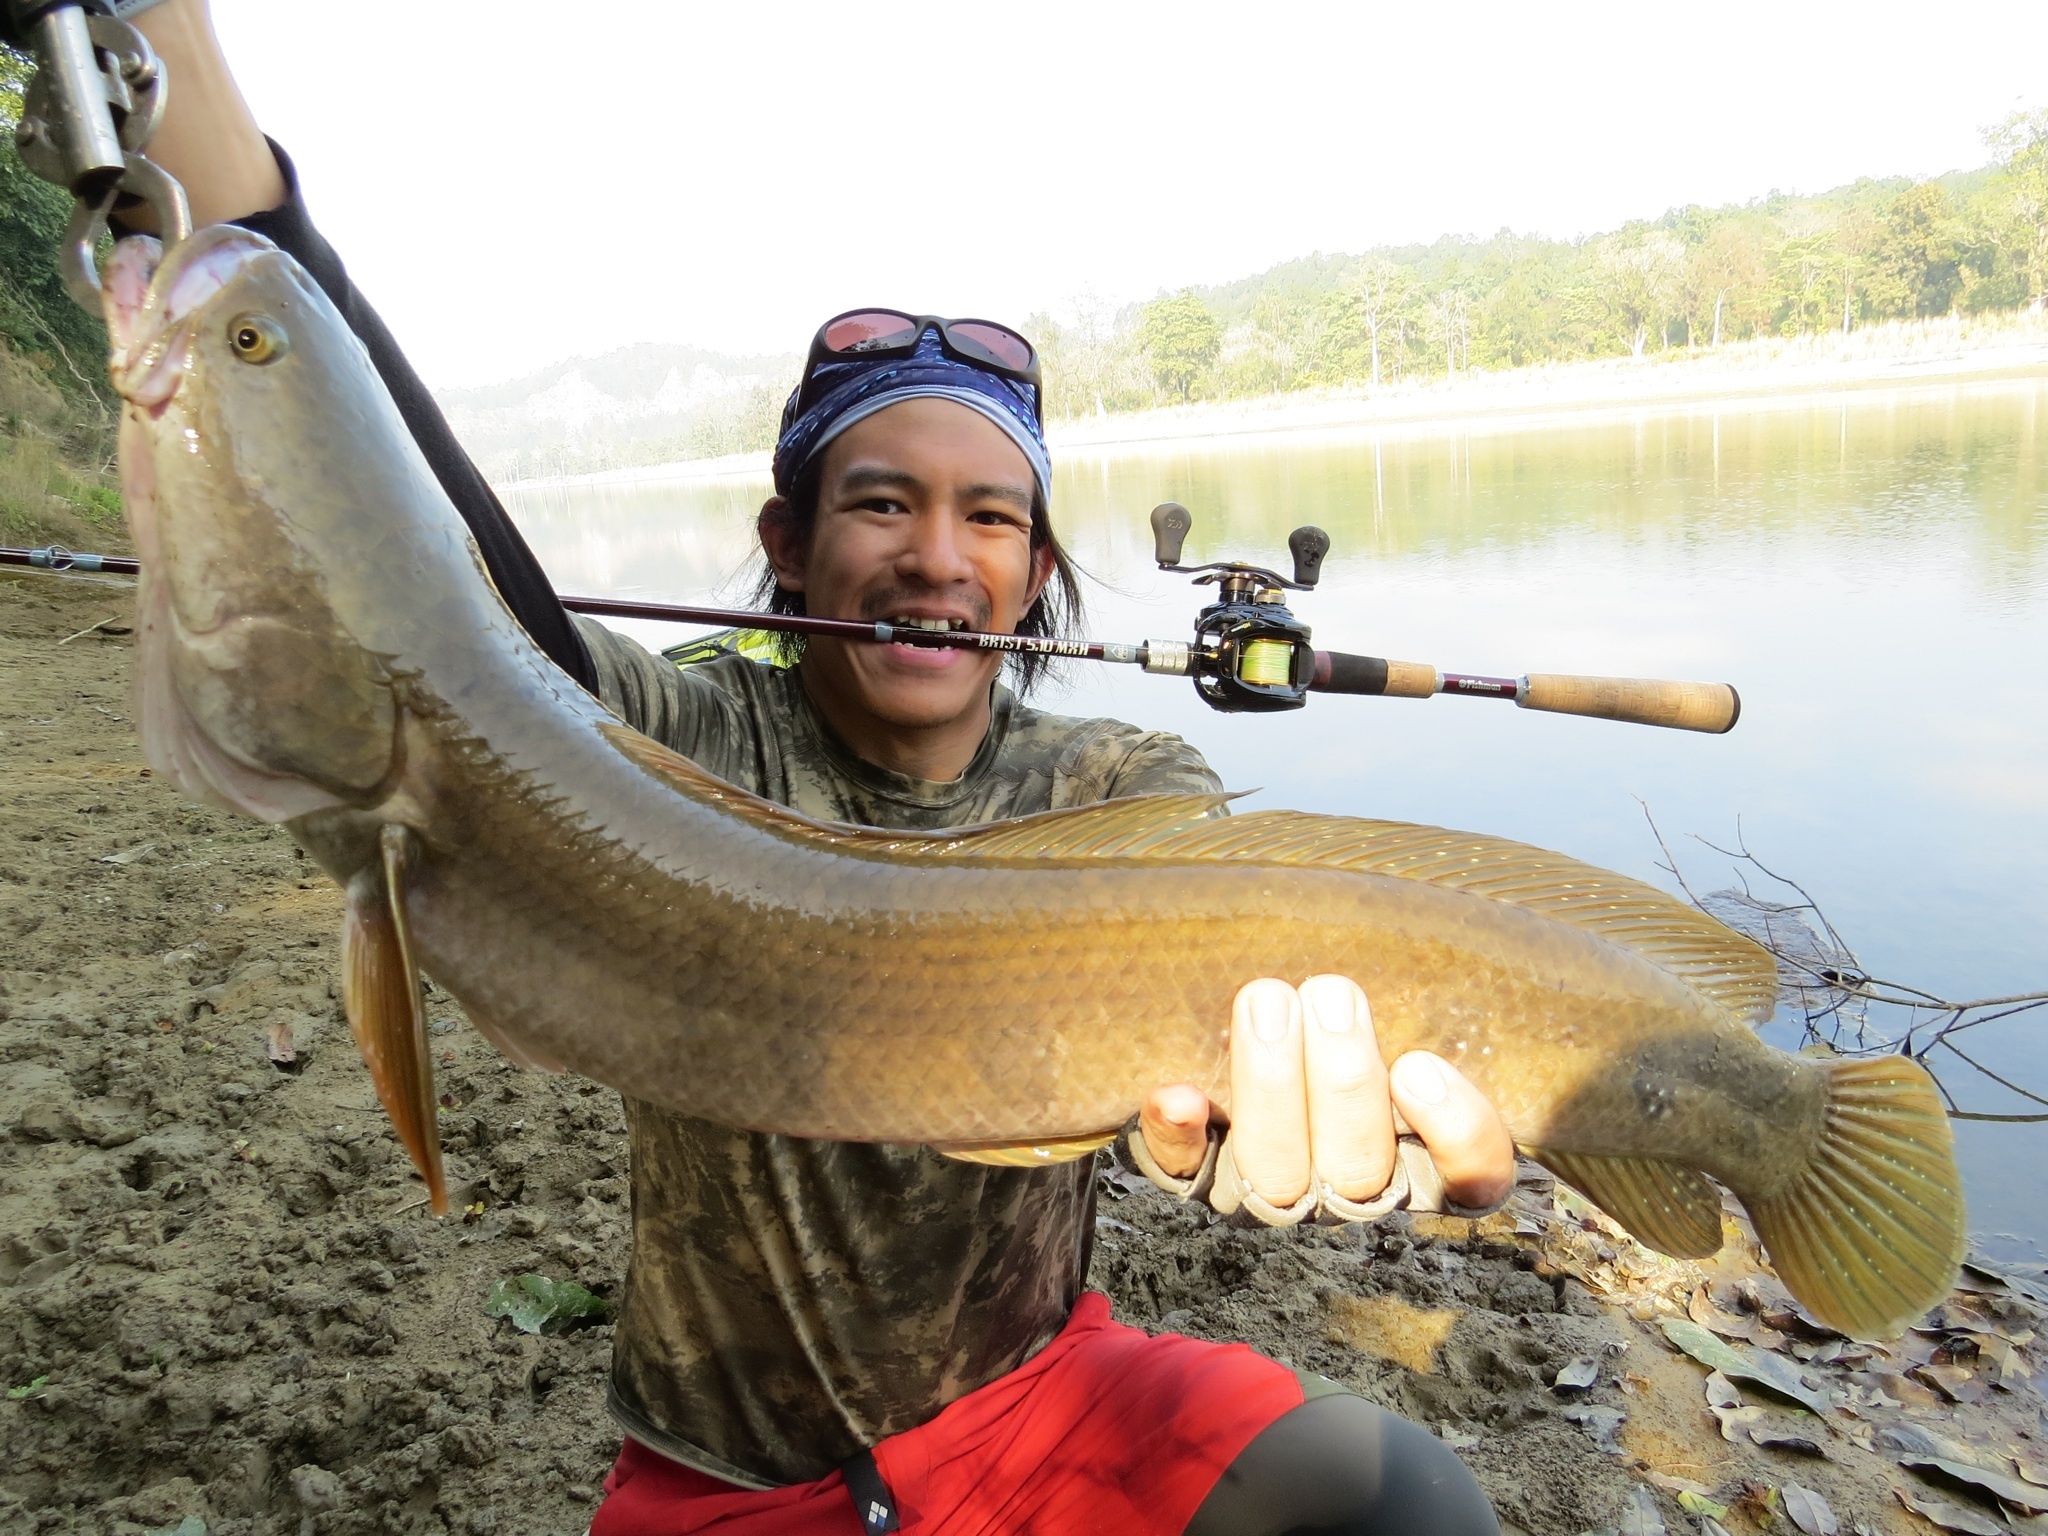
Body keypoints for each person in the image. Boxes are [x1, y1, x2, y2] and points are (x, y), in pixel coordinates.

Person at [99, 4, 1520, 1531]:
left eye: (989, 518)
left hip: (1042, 1406)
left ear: (1035, 572)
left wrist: (1310, 1112)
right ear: (788, 544)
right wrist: (161, 53)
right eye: (880, 502)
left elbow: (1237, 1031)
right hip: (722, 1477)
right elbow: (447, 589)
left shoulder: (1120, 787)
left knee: (1396, 1500)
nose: (934, 557)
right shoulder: (675, 737)